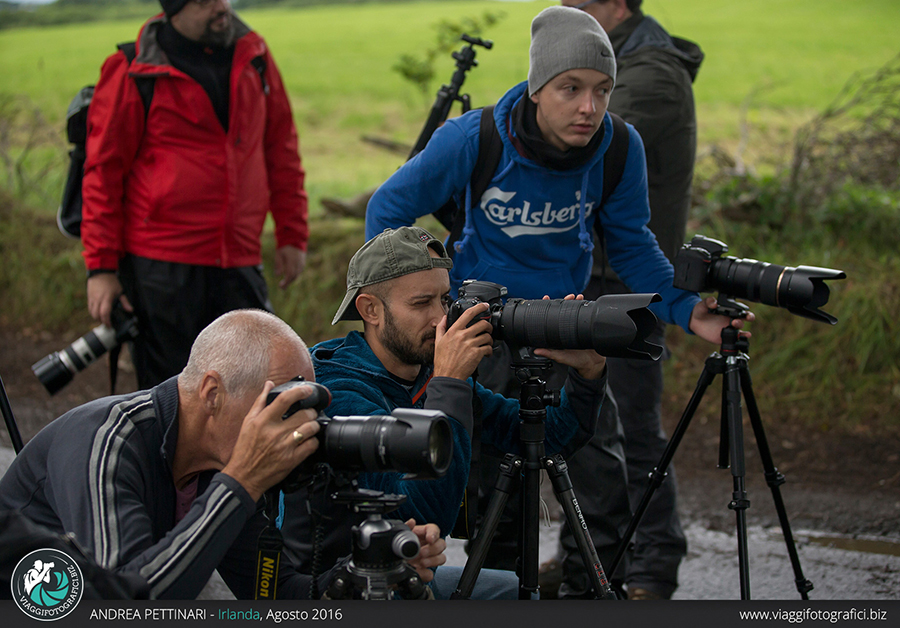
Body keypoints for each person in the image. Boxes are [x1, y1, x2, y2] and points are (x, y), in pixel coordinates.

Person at [364, 5, 750, 597]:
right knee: (498, 491)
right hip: (482, 327)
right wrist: (422, 303)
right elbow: (387, 211)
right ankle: (508, 594)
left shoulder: (619, 147)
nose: (588, 107)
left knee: (600, 480)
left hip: (570, 325)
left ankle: (593, 595)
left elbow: (633, 245)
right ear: (539, 87)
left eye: (601, 90)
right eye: (571, 88)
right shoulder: (475, 138)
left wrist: (685, 307)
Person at [0, 310, 445, 600]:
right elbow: (132, 601)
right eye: (282, 402)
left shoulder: (223, 458)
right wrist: (243, 482)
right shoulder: (107, 441)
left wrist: (366, 569)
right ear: (213, 392)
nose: (295, 423)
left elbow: (273, 595)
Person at [279, 226, 608, 599]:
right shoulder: (337, 392)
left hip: (406, 573)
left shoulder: (426, 375)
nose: (440, 319)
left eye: (445, 299)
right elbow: (423, 518)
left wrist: (587, 373)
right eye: (421, 304)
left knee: (515, 594)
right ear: (370, 309)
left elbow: (547, 439)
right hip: (339, 589)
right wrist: (449, 382)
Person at [535, 0, 705, 601]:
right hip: (595, 275)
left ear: (613, 5)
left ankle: (654, 565)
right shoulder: (624, 60)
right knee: (582, 427)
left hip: (628, 283)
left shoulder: (652, 73)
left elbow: (576, 147)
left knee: (630, 428)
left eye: (576, 3)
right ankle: (593, 556)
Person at [81, 0, 309, 390]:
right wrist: (101, 268)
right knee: (172, 397)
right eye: (204, 1)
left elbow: (281, 146)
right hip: (162, 267)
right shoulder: (132, 69)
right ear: (174, 9)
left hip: (238, 259)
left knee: (256, 388)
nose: (220, 7)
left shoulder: (254, 56)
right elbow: (103, 172)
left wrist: (292, 233)